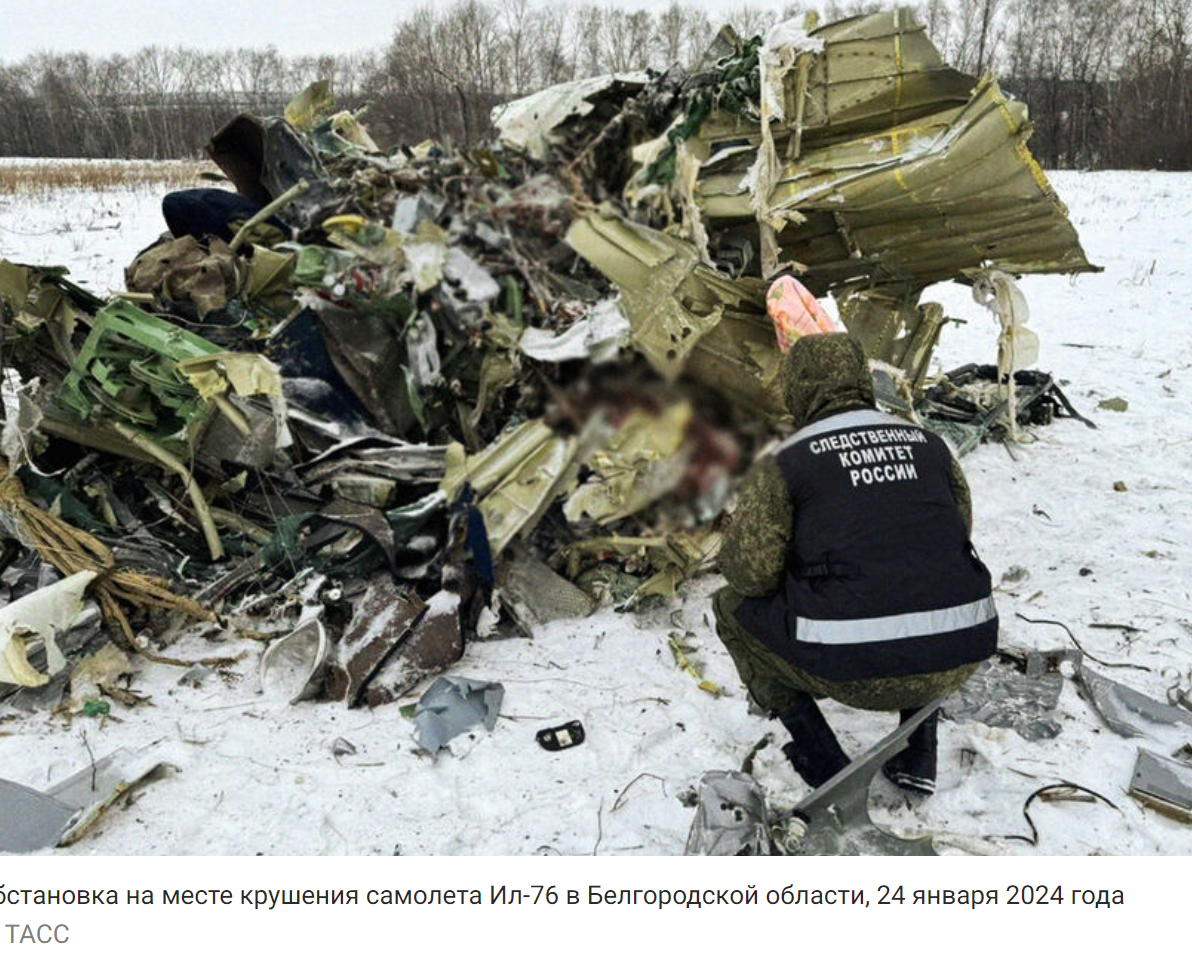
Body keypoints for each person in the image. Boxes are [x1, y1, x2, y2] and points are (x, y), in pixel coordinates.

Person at [714, 332, 997, 794]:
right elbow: (956, 532)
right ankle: (919, 752)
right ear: (861, 380)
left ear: (798, 387)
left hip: (853, 673)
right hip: (961, 654)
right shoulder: (929, 445)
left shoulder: (789, 462)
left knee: (730, 608)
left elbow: (751, 575)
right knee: (920, 582)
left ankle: (825, 765)